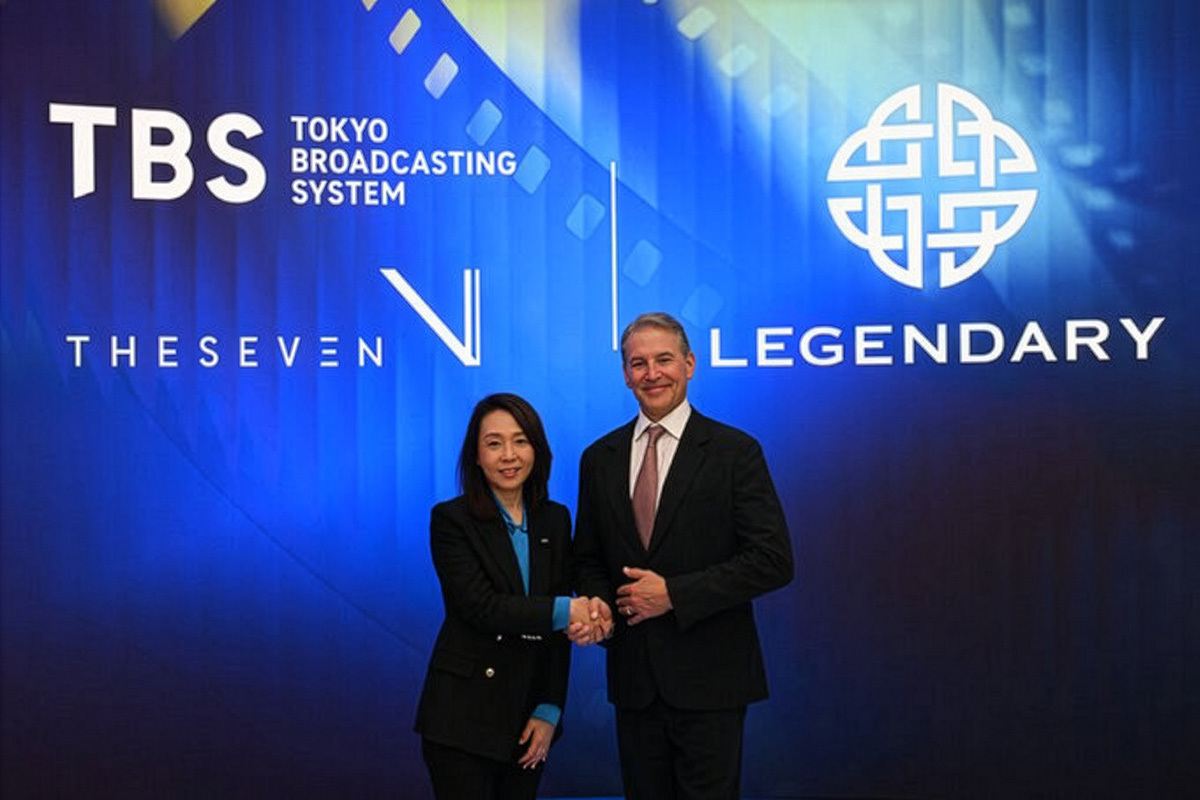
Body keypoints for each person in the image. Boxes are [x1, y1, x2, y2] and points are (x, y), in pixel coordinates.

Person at [571, 312, 794, 800]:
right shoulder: (599, 458)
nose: (652, 373)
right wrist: (599, 603)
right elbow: (587, 558)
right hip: (634, 683)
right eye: (638, 363)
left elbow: (772, 559)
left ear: (689, 364)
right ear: (625, 374)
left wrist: (674, 593)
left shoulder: (735, 452)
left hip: (711, 680)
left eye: (664, 360)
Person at [415, 393, 604, 800]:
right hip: (462, 720)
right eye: (494, 443)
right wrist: (569, 609)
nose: (509, 455)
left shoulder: (555, 519)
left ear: (537, 449)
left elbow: (557, 630)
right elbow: (480, 607)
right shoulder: (451, 520)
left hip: (527, 719)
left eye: (520, 441)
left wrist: (550, 708)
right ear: (476, 455)